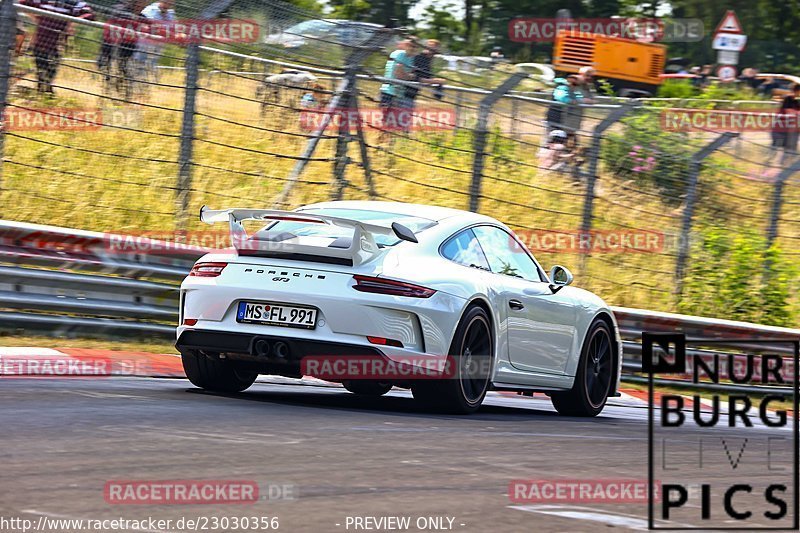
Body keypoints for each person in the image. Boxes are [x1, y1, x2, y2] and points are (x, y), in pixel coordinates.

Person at [19, 0, 94, 94]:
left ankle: (46, 90)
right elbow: (22, 2)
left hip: (58, 42)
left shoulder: (71, 2)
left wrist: (73, 23)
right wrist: (34, 17)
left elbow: (89, 14)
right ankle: (42, 91)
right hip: (40, 41)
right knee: (41, 68)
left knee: (52, 68)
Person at [98, 0, 145, 93]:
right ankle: (109, 89)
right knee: (105, 67)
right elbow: (115, 14)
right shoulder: (120, 8)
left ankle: (123, 91)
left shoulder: (140, 15)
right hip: (110, 47)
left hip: (126, 49)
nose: (142, 5)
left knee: (124, 70)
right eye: (140, 3)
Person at [379, 39, 418, 134]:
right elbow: (398, 74)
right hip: (389, 91)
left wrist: (408, 75)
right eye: (410, 45)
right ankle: (381, 142)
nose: (412, 48)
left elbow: (408, 74)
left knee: (396, 123)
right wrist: (409, 76)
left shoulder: (412, 58)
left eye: (415, 46)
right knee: (387, 121)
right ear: (405, 45)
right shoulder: (399, 54)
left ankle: (388, 144)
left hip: (399, 93)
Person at [137, 0, 175, 79]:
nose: (168, 4)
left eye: (171, 2)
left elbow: (172, 29)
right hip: (145, 43)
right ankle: (138, 78)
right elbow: (144, 25)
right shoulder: (150, 10)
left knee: (153, 63)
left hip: (158, 45)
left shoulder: (171, 14)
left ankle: (149, 80)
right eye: (167, 2)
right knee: (140, 61)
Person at [404, 39, 446, 106]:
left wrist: (437, 82)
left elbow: (426, 76)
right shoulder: (419, 58)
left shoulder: (428, 60)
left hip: (412, 94)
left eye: (434, 50)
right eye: (430, 48)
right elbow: (414, 77)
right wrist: (435, 81)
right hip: (404, 93)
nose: (432, 52)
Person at [546, 74, 583, 140]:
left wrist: (580, 100)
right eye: (573, 83)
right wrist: (572, 101)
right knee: (553, 139)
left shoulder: (574, 90)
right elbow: (561, 97)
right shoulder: (562, 87)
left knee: (566, 140)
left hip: (566, 120)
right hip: (555, 119)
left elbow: (579, 97)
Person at [773, 84, 800, 154]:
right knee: (777, 146)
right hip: (782, 125)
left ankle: (789, 159)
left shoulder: (796, 100)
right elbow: (789, 111)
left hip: (792, 126)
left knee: (790, 146)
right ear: (797, 91)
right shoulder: (788, 98)